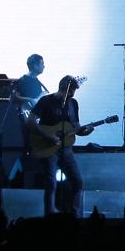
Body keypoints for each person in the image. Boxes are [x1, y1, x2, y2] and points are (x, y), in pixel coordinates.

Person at [30, 75, 93, 217]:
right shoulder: (46, 101)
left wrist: (86, 131)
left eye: (73, 93)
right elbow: (31, 121)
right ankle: (49, 215)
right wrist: (48, 136)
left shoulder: (73, 104)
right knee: (51, 182)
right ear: (63, 88)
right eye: (69, 92)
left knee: (78, 182)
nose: (71, 95)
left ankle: (75, 215)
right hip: (48, 148)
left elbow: (76, 127)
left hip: (66, 149)